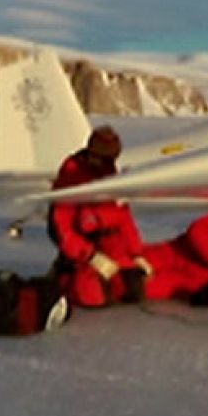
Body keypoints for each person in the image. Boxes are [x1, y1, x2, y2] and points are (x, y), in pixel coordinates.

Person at [48, 125, 150, 307]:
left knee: (134, 287)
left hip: (108, 245)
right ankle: (63, 277)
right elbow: (62, 229)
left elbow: (123, 217)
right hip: (82, 248)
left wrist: (136, 253)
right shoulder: (70, 179)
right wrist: (90, 256)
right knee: (93, 297)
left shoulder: (109, 173)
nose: (110, 163)